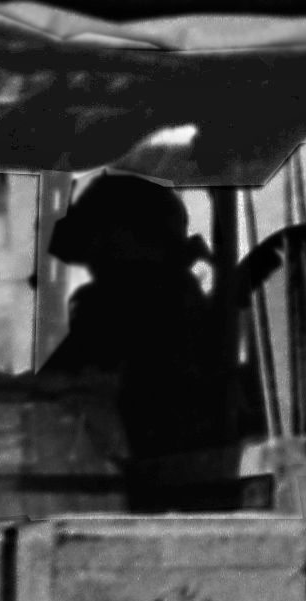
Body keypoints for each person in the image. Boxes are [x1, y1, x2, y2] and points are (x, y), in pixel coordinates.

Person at [41, 171, 244, 500]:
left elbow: (58, 383)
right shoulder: (168, 291)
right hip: (160, 472)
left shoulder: (138, 296)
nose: (95, 257)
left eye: (104, 238)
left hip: (153, 479)